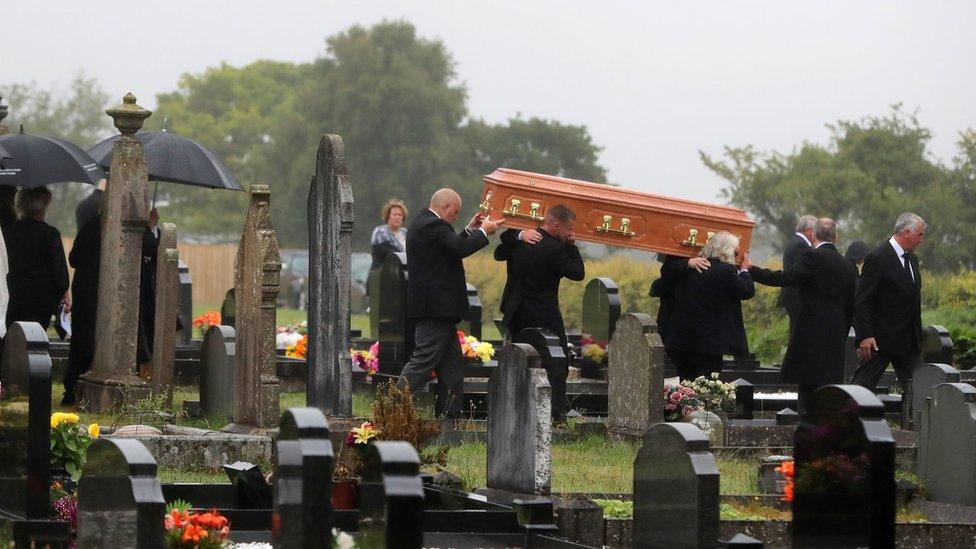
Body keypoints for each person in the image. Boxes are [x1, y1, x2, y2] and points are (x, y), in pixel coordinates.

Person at [396, 188, 504, 419]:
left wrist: (469, 230)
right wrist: (484, 232)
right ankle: (391, 406)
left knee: (452, 367)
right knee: (423, 360)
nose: (456, 217)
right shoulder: (431, 225)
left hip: (440, 309)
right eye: (455, 212)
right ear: (445, 208)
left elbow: (450, 246)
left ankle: (450, 416)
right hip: (434, 308)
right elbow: (458, 249)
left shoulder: (428, 224)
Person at [746, 218, 858, 413]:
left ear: (813, 235)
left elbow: (784, 278)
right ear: (836, 237)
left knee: (807, 385)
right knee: (828, 386)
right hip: (835, 333)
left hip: (810, 330)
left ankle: (805, 425)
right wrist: (842, 329)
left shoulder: (811, 258)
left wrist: (752, 270)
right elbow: (852, 305)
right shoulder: (848, 266)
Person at [493, 204, 585, 420]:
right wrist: (572, 246)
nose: (570, 233)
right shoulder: (556, 249)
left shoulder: (522, 241)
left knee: (519, 358)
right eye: (568, 229)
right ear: (555, 225)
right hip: (544, 313)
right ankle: (557, 409)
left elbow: (499, 252)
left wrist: (518, 234)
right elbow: (578, 273)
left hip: (516, 311)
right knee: (557, 360)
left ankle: (517, 403)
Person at [664, 232, 754, 380]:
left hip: (682, 339)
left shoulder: (692, 267)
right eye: (736, 251)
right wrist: (744, 270)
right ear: (728, 251)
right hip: (708, 343)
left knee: (685, 382)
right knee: (707, 384)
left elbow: (667, 271)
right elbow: (746, 291)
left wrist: (688, 262)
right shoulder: (726, 271)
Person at [852, 212, 926, 392]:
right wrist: (865, 335)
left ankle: (912, 421)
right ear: (907, 233)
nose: (922, 240)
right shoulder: (877, 258)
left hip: (908, 343)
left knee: (920, 393)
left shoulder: (913, 260)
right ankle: (843, 420)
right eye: (920, 234)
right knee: (860, 390)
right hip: (879, 341)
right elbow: (862, 301)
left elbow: (912, 301)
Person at [5, 186, 69, 330]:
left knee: (11, 342)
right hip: (41, 303)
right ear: (43, 206)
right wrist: (62, 295)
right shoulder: (51, 234)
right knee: (35, 345)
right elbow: (61, 278)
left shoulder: (9, 232)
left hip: (12, 298)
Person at [62, 213, 102, 406]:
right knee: (86, 342)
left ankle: (71, 389)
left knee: (80, 341)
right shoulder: (96, 226)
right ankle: (75, 389)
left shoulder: (89, 225)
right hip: (92, 294)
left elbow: (74, 259)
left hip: (85, 292)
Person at [649, 254, 711, 348]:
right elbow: (667, 270)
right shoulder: (677, 258)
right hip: (673, 312)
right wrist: (688, 263)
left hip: (698, 319)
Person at [779, 215, 817, 336]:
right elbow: (802, 272)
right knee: (798, 335)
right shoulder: (800, 245)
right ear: (808, 231)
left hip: (793, 296)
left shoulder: (795, 242)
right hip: (797, 297)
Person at [370, 199, 409, 270]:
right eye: (395, 214)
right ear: (388, 216)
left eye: (400, 215)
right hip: (383, 273)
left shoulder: (406, 233)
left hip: (404, 272)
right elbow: (386, 251)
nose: (397, 217)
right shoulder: (380, 231)